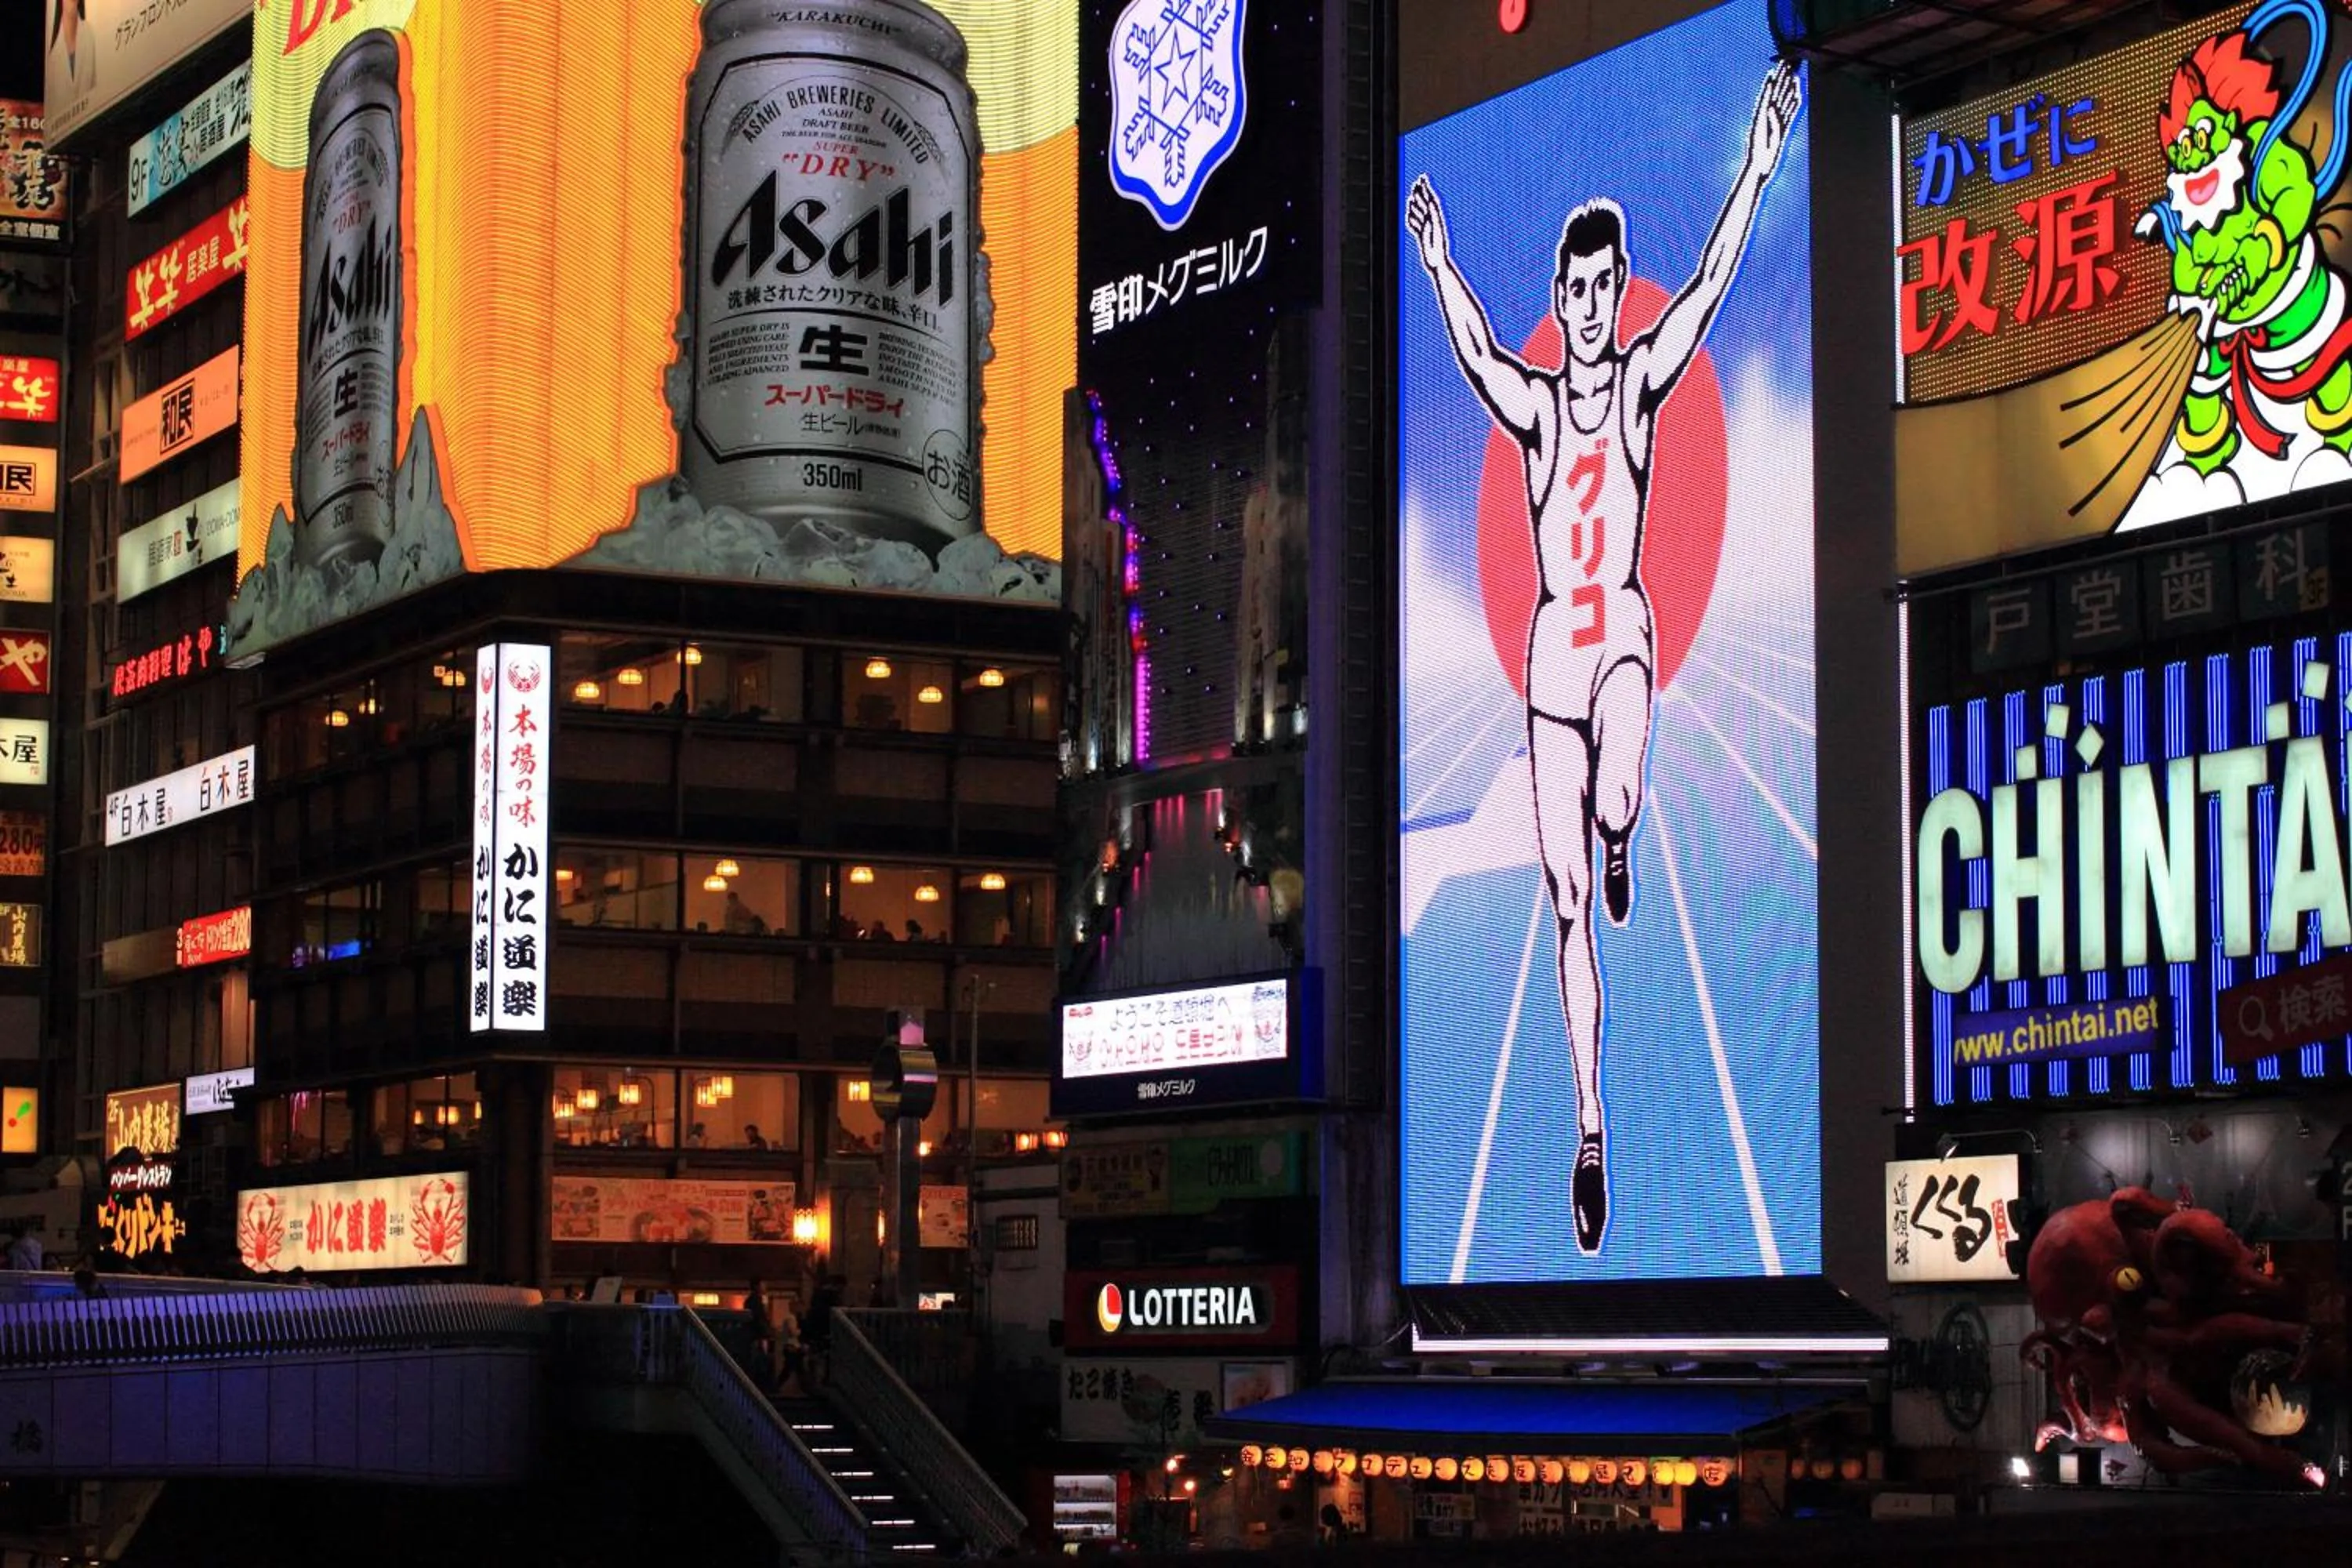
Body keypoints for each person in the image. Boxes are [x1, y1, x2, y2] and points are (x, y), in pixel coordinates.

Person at [1405, 60, 1800, 1254]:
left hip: (1620, 634)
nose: (1585, 304)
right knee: (1567, 908)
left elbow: (1722, 284)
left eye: (1600, 285)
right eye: (1571, 288)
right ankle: (1590, 1127)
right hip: (1547, 663)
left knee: (1617, 790)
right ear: (1559, 293)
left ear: (1618, 291)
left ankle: (1622, 823)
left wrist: (1758, 165)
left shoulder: (1634, 390)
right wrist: (1436, 265)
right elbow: (1474, 352)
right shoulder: (1532, 408)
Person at [801, 1272, 844, 1388]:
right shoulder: (831, 1298)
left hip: (816, 1331)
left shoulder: (817, 1297)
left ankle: (815, 1382)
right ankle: (821, 1382)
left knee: (816, 1357)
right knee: (824, 1358)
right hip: (824, 1331)